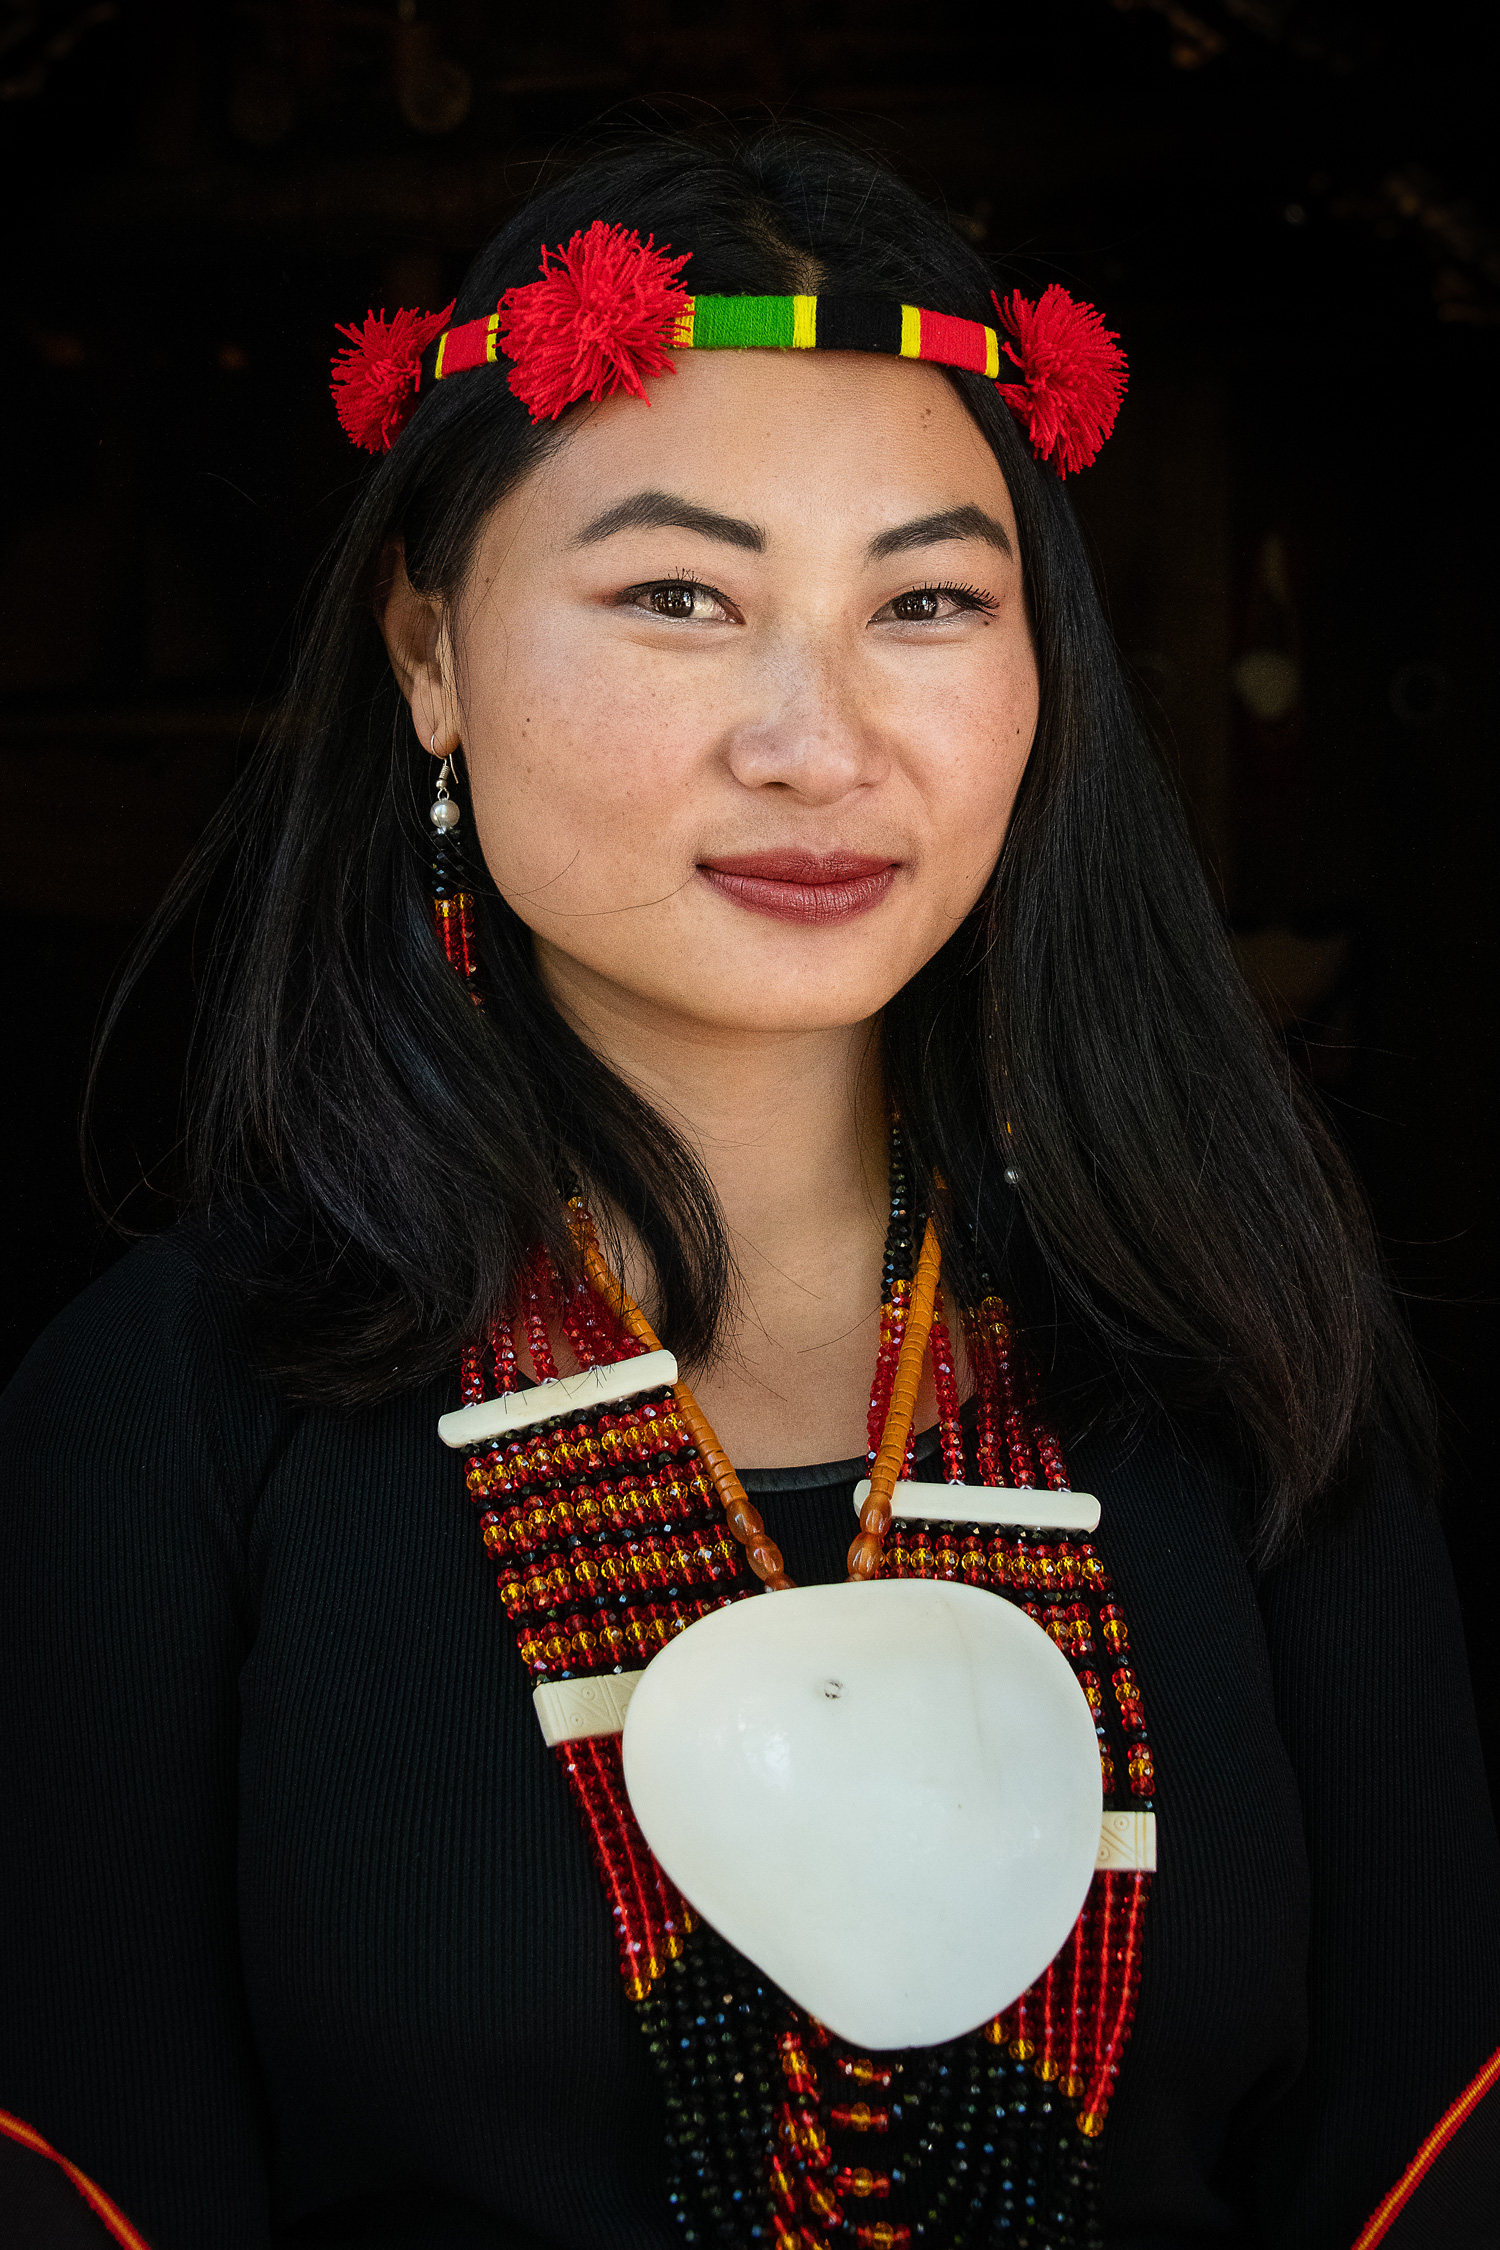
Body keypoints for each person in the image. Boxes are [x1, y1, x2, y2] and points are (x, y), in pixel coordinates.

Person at [1, 128, 1496, 2250]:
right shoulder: (167, 1423)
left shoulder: (1237, 1356)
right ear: (429, 650)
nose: (818, 739)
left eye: (926, 602)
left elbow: (1431, 2149)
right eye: (681, 596)